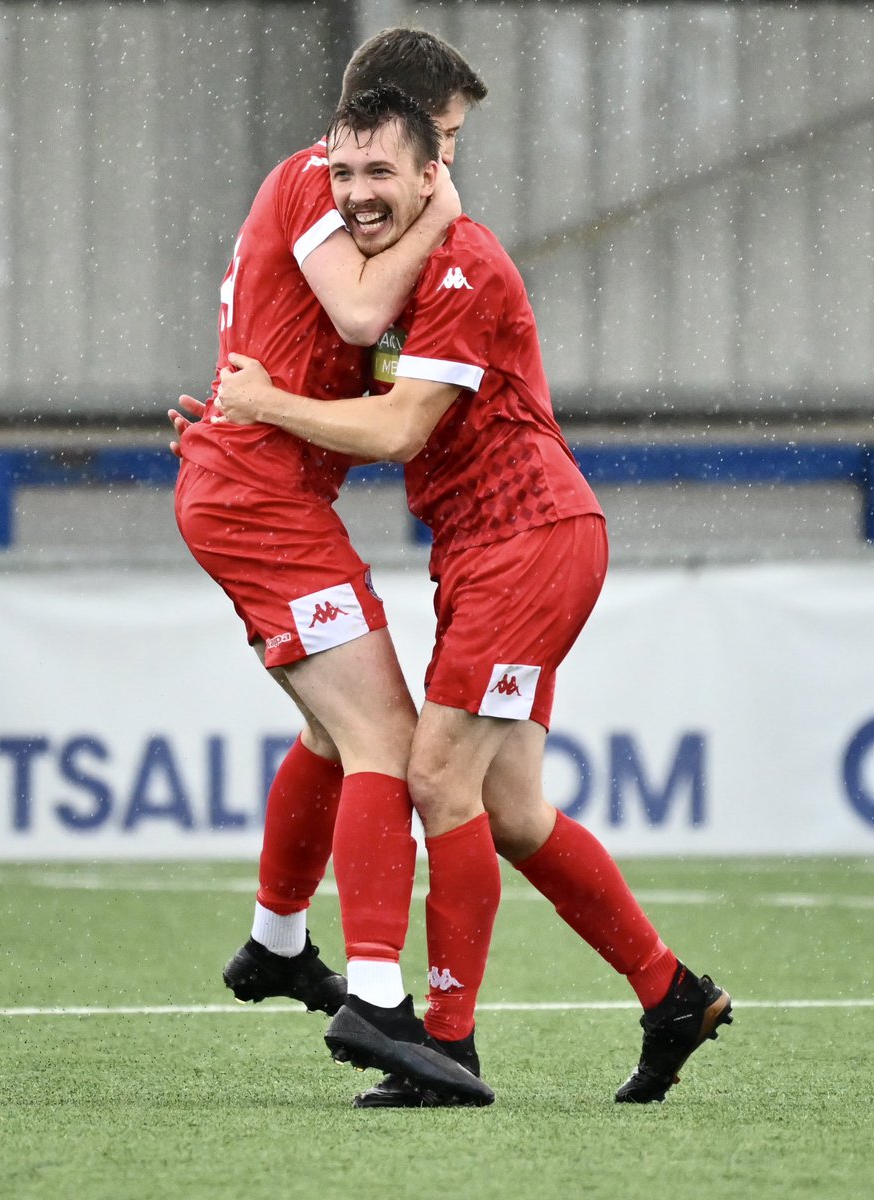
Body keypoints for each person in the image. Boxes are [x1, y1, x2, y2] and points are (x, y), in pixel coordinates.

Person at [213, 84, 733, 1107]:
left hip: (526, 541)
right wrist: (246, 421)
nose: (359, 195)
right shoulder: (397, 272)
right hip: (489, 548)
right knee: (511, 809)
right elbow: (372, 393)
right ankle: (672, 992)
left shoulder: (460, 264)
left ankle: (444, 1044)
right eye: (346, 175)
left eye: (387, 172)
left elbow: (401, 430)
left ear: (431, 166)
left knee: (433, 774)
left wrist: (265, 406)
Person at [172, 31, 492, 1106]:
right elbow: (358, 314)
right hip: (259, 501)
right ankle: (375, 995)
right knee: (385, 743)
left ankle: (273, 943)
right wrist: (441, 216)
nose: (444, 161)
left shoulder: (346, 199)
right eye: (440, 138)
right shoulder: (318, 179)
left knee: (328, 732)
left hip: (259, 490)